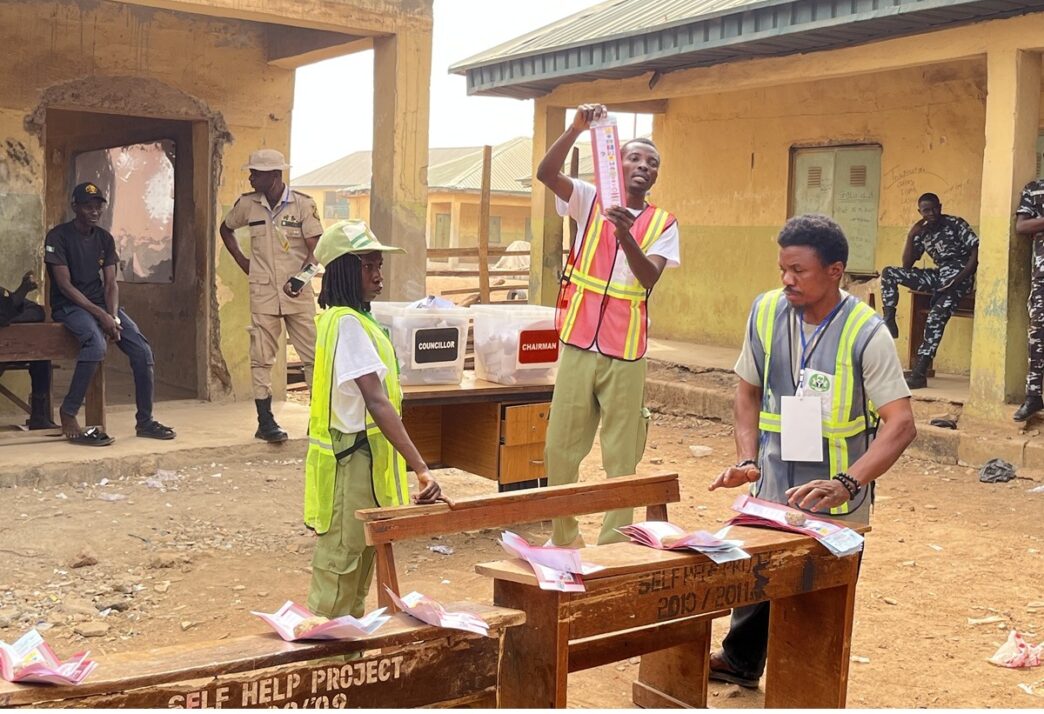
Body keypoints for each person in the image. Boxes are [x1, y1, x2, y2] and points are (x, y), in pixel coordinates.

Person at [706, 214, 916, 689]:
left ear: (835, 271)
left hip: (834, 495)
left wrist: (847, 483)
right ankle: (740, 661)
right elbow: (747, 391)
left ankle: (809, 686)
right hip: (775, 479)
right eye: (783, 268)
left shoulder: (867, 332)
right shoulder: (765, 311)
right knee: (755, 573)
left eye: (799, 270)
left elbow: (901, 425)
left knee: (820, 594)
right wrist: (746, 459)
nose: (787, 280)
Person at [536, 103, 680, 547]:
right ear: (617, 164)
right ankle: (564, 537)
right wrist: (576, 128)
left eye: (651, 163)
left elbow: (649, 277)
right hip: (579, 342)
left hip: (626, 352)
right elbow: (545, 172)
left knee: (621, 455)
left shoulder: (663, 223)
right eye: (634, 158)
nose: (643, 166)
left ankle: (614, 543)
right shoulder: (589, 198)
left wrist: (624, 235)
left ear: (655, 176)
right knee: (560, 449)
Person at [303, 219, 447, 619]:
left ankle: (346, 654)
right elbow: (377, 401)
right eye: (368, 267)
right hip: (349, 468)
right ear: (345, 271)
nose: (378, 276)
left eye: (378, 266)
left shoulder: (357, 320)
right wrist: (421, 468)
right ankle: (322, 661)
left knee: (360, 563)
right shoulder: (346, 324)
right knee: (340, 568)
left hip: (361, 465)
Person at [45, 182, 175, 446]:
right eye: (87, 206)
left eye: (97, 207)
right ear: (75, 207)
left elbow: (111, 284)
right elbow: (65, 286)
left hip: (102, 306)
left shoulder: (104, 239)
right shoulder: (58, 237)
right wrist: (101, 317)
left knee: (141, 350)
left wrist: (113, 317)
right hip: (70, 306)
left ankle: (146, 421)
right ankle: (68, 413)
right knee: (95, 344)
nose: (93, 212)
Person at [220, 149, 322, 442]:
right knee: (261, 358)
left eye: (256, 173)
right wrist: (243, 263)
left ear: (275, 176)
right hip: (263, 291)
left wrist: (301, 280)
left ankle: (318, 420)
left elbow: (317, 250)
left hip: (298, 293)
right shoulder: (248, 205)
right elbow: (225, 229)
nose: (251, 177)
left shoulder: (303, 205)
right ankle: (265, 422)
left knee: (312, 357)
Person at [879, 193, 978, 389]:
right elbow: (907, 264)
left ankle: (919, 372)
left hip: (959, 279)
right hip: (939, 277)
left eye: (934, 208)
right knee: (889, 273)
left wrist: (958, 280)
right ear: (920, 212)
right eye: (926, 210)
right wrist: (911, 235)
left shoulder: (955, 223)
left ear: (940, 207)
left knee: (935, 316)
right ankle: (889, 318)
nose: (931, 213)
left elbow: (976, 252)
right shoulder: (922, 232)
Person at [0, 271, 57, 429]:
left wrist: (10, 320)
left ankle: (39, 416)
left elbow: (36, 311)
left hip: (9, 350)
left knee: (40, 354)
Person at [1013, 176, 1044, 421]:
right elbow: (1022, 227)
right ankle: (1033, 396)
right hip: (1042, 276)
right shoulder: (1034, 189)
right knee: (1037, 333)